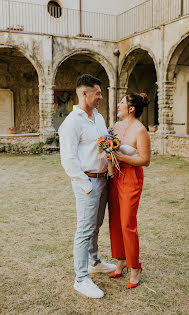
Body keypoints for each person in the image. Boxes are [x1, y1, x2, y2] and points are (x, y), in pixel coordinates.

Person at [58, 74, 116, 299]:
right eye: (98, 93)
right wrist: (87, 186)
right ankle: (81, 278)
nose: (101, 97)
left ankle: (94, 262)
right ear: (84, 93)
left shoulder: (98, 118)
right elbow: (68, 160)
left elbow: (103, 141)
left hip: (103, 178)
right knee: (84, 230)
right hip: (88, 181)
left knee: (96, 224)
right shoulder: (72, 123)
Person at [108, 92, 150, 289]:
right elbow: (112, 148)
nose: (118, 104)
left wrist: (121, 158)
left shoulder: (140, 130)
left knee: (127, 224)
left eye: (122, 102)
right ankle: (121, 259)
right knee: (115, 221)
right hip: (114, 176)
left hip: (131, 177)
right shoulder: (116, 127)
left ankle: (135, 268)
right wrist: (108, 153)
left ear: (131, 109)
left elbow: (145, 160)